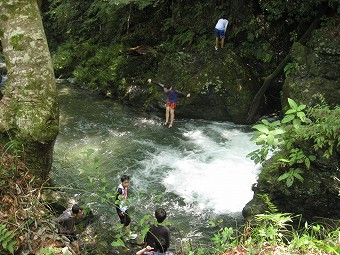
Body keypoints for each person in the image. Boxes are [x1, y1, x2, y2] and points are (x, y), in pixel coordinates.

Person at [115, 174, 137, 239]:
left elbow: (128, 182)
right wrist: (119, 211)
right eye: (125, 183)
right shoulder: (120, 190)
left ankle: (122, 232)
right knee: (128, 221)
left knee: (123, 221)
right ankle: (128, 235)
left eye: (128, 182)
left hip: (124, 205)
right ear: (121, 182)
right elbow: (116, 202)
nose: (127, 184)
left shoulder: (125, 186)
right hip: (121, 208)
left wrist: (131, 181)